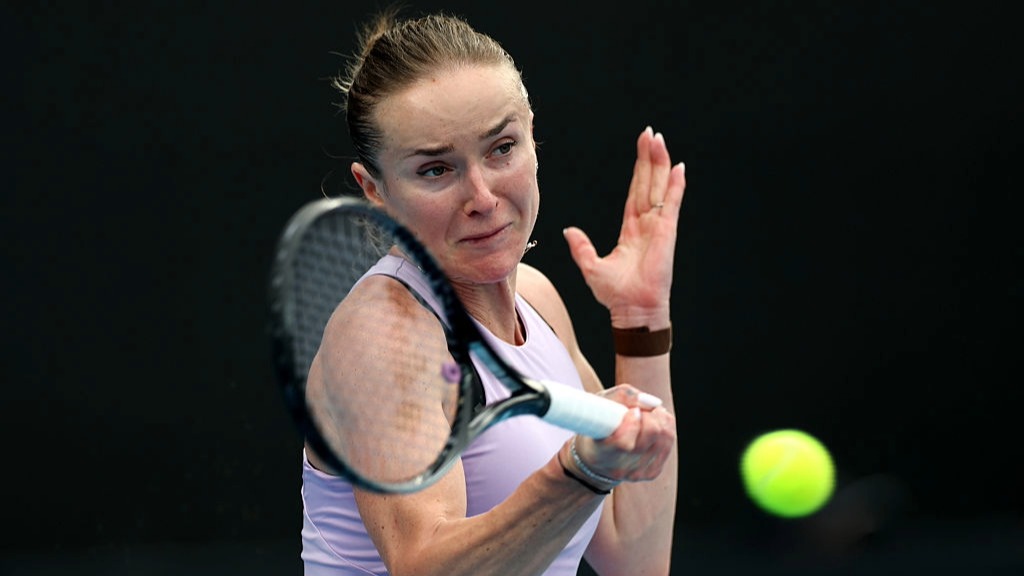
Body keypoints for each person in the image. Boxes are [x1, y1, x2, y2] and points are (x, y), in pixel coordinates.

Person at [301, 8, 686, 575]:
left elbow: (635, 558)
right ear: (373, 190)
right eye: (436, 169)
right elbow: (423, 566)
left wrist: (640, 320)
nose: (481, 195)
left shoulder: (539, 299)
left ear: (533, 134)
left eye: (501, 147)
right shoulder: (387, 334)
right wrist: (578, 474)